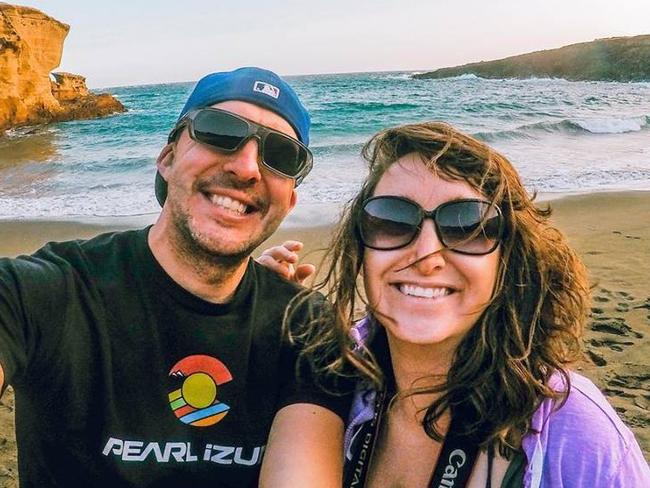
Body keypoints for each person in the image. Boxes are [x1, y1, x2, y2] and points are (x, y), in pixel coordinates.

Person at [0, 67, 350, 487]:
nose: (246, 167)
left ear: (290, 200)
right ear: (167, 160)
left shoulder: (306, 329)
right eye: (219, 131)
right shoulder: (50, 291)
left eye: (282, 154)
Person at [258, 121, 650, 487]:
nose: (426, 254)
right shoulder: (333, 378)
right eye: (393, 220)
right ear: (361, 249)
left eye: (467, 227)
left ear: (507, 260)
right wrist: (259, 310)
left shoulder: (571, 428)